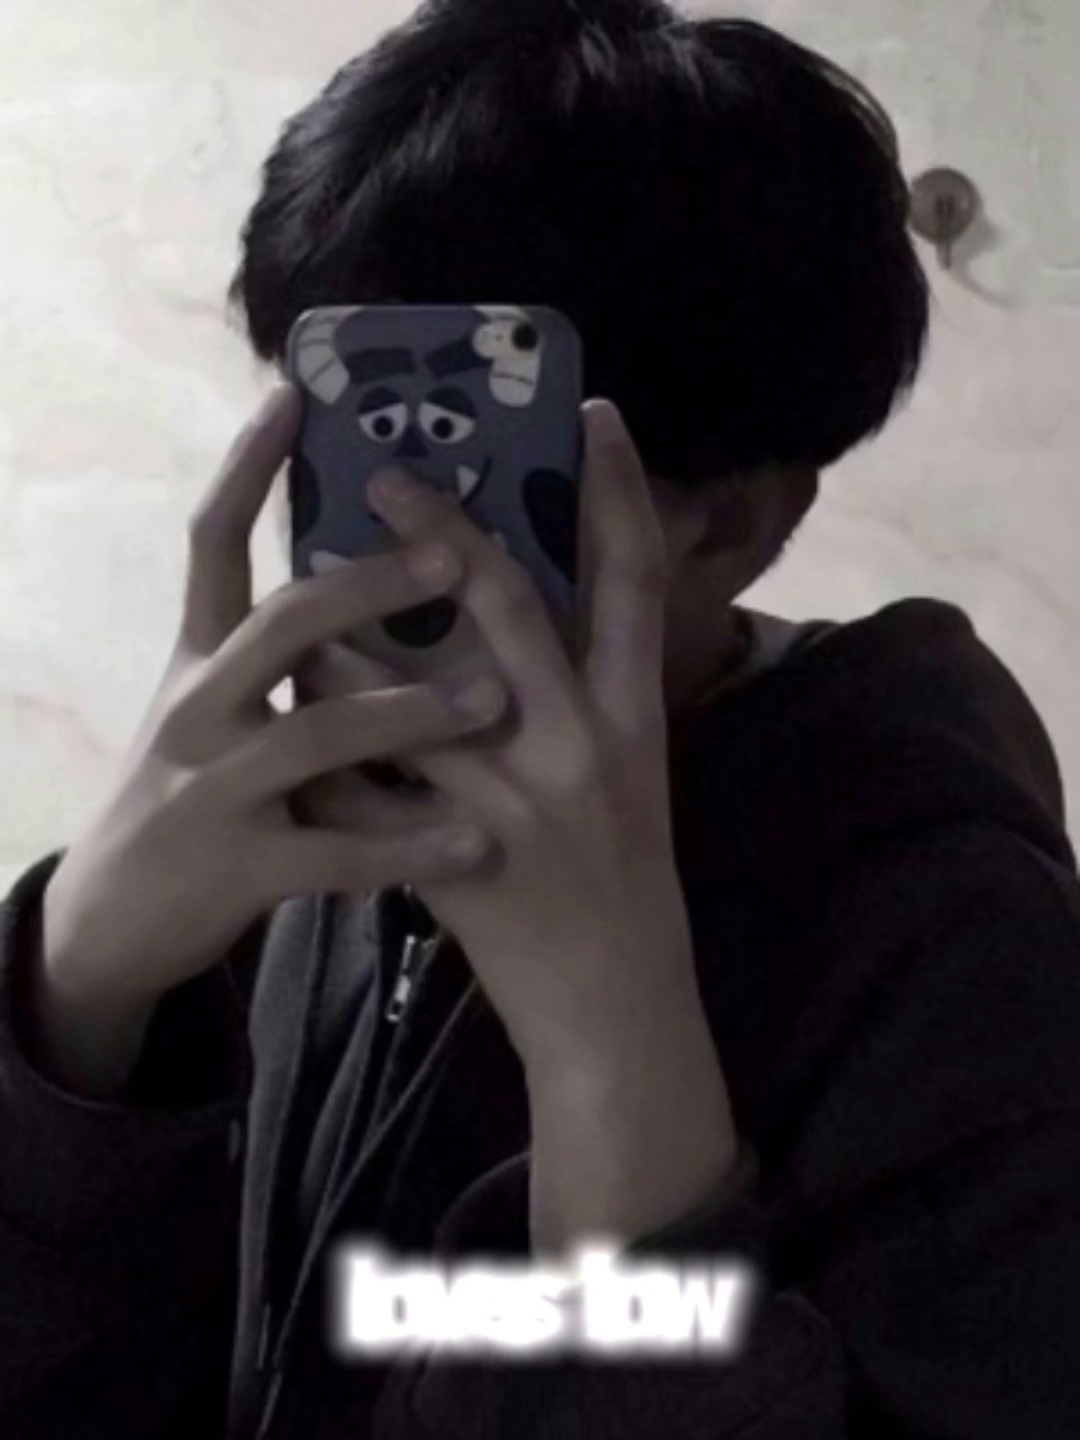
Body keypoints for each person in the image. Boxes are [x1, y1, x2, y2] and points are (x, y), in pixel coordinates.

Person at [2, 1, 1079, 1436]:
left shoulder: (959, 942)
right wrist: (73, 1000)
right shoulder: (308, 822)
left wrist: (611, 1059)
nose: (395, 526)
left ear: (732, 525)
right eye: (351, 440)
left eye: (483, 460)